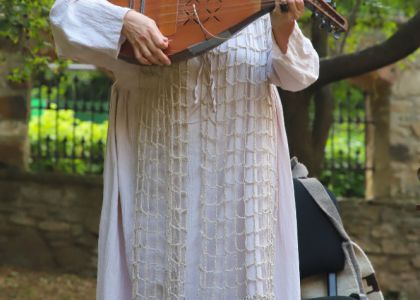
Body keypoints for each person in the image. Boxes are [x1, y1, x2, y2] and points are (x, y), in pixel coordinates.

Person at [49, 1, 319, 299]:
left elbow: (300, 76)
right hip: (158, 158)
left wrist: (283, 27)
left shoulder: (255, 5)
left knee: (243, 272)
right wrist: (125, 21)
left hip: (243, 170)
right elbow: (65, 18)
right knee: (158, 269)